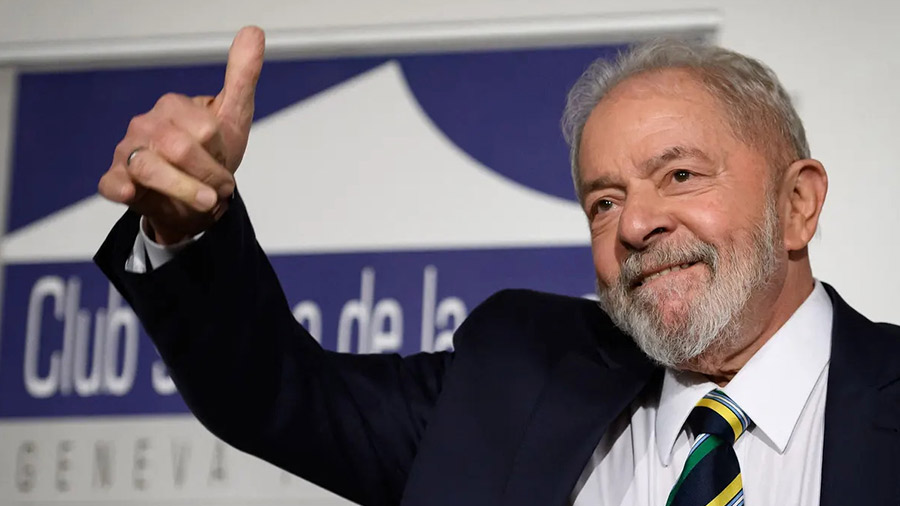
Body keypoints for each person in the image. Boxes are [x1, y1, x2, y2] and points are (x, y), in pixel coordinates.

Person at [94, 26, 900, 506]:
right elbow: (278, 394)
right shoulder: (515, 375)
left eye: (680, 175)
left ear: (798, 203)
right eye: (603, 202)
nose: (637, 224)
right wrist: (190, 225)